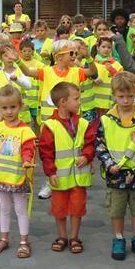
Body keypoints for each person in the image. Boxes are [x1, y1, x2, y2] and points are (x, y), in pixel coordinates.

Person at [96, 72, 135, 262]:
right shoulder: (107, 119)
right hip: (115, 174)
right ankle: (118, 238)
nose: (126, 100)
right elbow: (100, 144)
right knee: (116, 210)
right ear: (114, 95)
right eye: (121, 96)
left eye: (130, 96)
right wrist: (108, 163)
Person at [40, 82, 95, 255]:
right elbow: (46, 152)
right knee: (59, 208)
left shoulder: (84, 123)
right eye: (76, 99)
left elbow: (90, 143)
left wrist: (86, 156)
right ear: (63, 102)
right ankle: (62, 236)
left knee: (77, 208)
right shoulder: (50, 125)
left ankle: (74, 237)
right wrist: (50, 172)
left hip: (79, 176)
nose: (79, 102)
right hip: (60, 176)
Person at [0, 85, 37, 258]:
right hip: (1, 177)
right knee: (4, 208)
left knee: (21, 210)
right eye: (4, 108)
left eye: (13, 107)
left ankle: (24, 241)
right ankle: (4, 238)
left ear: (20, 106)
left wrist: (27, 160)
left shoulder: (25, 130)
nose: (9, 111)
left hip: (17, 177)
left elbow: (28, 149)